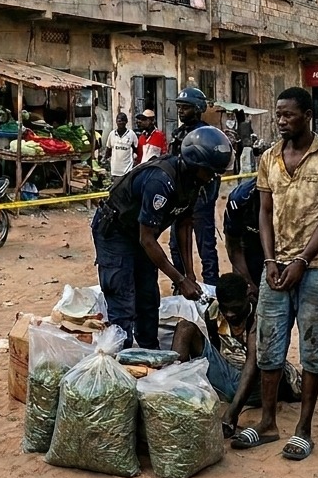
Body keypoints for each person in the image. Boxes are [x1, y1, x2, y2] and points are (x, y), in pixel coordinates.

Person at [231, 87, 318, 461]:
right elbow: (265, 212)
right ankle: (267, 423)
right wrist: (270, 260)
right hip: (275, 269)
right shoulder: (269, 159)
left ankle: (304, 428)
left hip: (314, 270)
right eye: (278, 114)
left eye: (288, 115)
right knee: (269, 348)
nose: (281, 121)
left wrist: (301, 260)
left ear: (308, 115)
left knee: (313, 349)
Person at [92, 127, 232, 349]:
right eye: (211, 171)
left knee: (148, 298)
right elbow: (147, 239)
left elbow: (184, 225)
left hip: (140, 234)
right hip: (116, 233)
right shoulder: (161, 182)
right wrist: (179, 280)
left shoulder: (194, 183)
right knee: (123, 299)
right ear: (196, 165)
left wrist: (190, 274)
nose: (214, 177)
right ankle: (122, 359)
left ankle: (149, 352)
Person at [170, 272, 301, 438]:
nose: (230, 314)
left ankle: (233, 406)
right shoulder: (214, 311)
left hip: (254, 386)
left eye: (236, 308)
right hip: (226, 375)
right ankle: (173, 394)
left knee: (257, 364)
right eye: (226, 308)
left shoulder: (260, 316)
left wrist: (232, 413)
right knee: (185, 328)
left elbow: (253, 364)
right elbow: (214, 350)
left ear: (247, 297)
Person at [168, 88, 221, 287]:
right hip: (181, 196)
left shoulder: (207, 134)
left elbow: (215, 170)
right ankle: (181, 283)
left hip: (200, 197)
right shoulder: (178, 133)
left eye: (186, 108)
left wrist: (208, 196)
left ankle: (211, 286)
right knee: (176, 244)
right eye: (179, 107)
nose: (181, 112)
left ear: (198, 109)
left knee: (205, 244)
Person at [102, 112, 138, 179]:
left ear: (126, 121)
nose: (121, 123)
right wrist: (104, 160)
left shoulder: (131, 134)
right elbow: (108, 150)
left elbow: (136, 150)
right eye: (119, 121)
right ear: (116, 122)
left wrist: (134, 162)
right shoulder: (112, 134)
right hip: (115, 170)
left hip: (127, 170)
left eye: (123, 121)